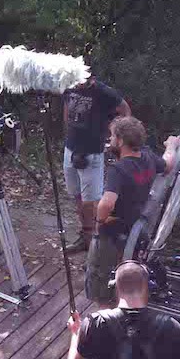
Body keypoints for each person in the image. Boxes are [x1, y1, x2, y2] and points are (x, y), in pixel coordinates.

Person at [86, 116, 179, 305]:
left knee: (98, 274)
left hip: (113, 229)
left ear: (120, 141)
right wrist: (172, 146)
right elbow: (168, 165)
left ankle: (104, 310)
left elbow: (107, 203)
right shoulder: (147, 156)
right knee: (129, 262)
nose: (110, 140)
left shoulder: (118, 170)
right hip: (135, 225)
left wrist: (98, 223)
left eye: (112, 137)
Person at [63, 75, 131, 253]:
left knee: (92, 202)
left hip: (92, 153)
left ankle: (98, 246)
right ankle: (85, 238)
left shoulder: (103, 92)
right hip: (70, 149)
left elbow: (125, 110)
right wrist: (68, 134)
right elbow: (66, 109)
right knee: (77, 196)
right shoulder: (68, 85)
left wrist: (116, 139)